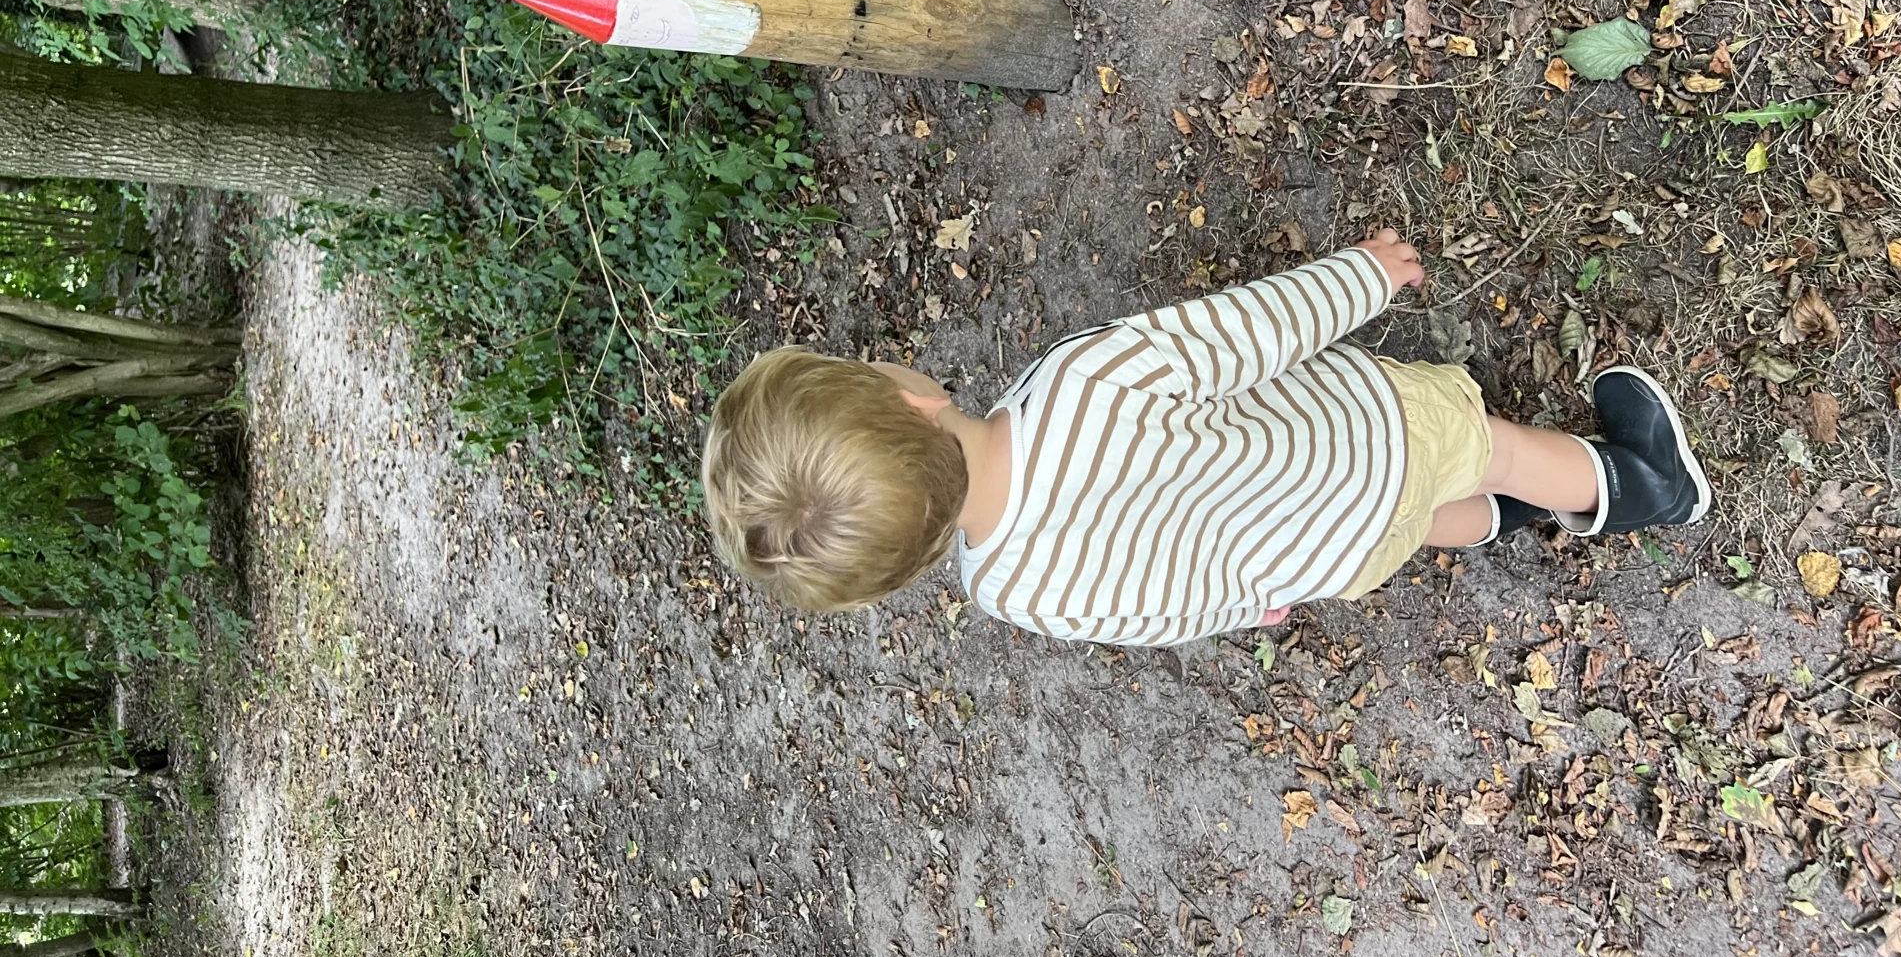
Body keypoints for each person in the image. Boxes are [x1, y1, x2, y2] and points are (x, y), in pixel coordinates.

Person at [701, 231, 1712, 646]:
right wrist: (1365, 274)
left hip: (1331, 556)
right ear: (914, 400)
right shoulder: (1088, 385)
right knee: (1486, 444)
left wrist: (1249, 604)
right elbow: (1250, 331)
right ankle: (1636, 485)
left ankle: (1498, 521)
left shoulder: (1005, 589)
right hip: (1368, 440)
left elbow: (1156, 614)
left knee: (1415, 521)